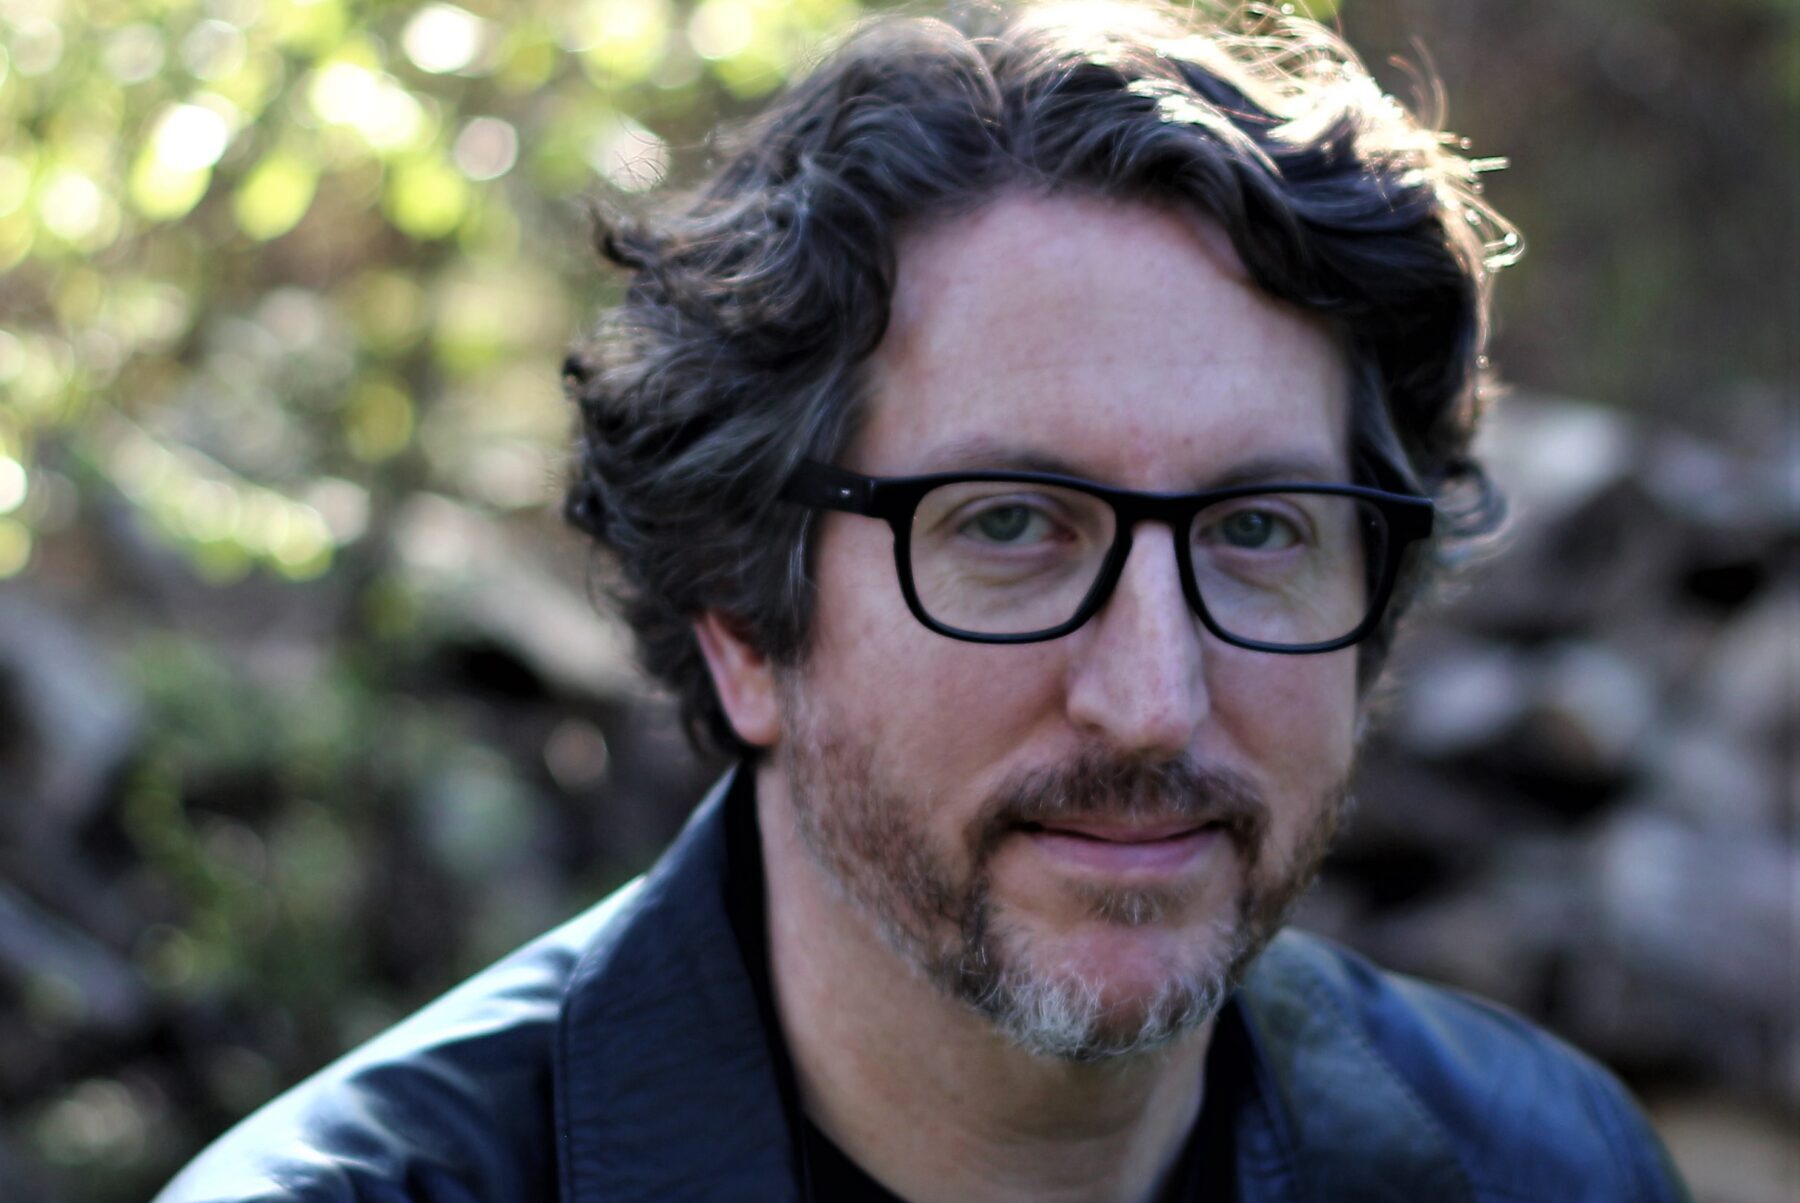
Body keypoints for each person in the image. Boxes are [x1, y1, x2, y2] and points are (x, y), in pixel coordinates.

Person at [155, 3, 1694, 1200]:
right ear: (743, 625)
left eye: (1261, 530)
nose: (1154, 697)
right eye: (1011, 526)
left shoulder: (1544, 1168)